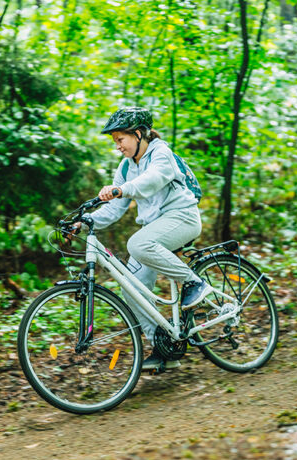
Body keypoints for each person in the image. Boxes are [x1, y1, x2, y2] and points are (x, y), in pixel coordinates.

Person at [87, 106, 212, 370]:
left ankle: (194, 283)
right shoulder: (125, 166)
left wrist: (121, 189)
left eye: (121, 139)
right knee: (131, 287)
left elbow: (153, 180)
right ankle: (163, 345)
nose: (118, 146)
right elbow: (114, 208)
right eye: (115, 141)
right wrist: (86, 221)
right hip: (155, 229)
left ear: (139, 134)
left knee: (137, 243)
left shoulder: (160, 153)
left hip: (182, 218)